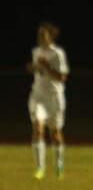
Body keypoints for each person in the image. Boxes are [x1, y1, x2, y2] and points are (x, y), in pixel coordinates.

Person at [26, 21, 69, 180]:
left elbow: (62, 77)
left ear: (50, 37)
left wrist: (47, 67)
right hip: (38, 95)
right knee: (37, 127)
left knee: (55, 133)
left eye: (43, 34)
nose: (39, 37)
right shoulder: (35, 51)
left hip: (54, 96)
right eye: (38, 34)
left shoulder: (58, 53)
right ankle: (40, 168)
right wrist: (33, 68)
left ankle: (58, 164)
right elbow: (38, 71)